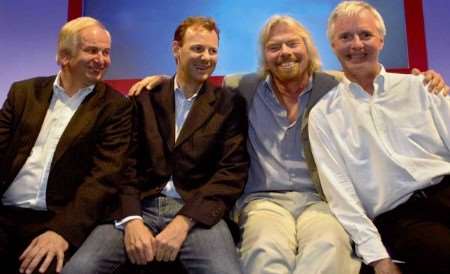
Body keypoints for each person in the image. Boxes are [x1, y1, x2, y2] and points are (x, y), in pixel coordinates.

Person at [129, 13, 449, 274]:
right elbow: (192, 86)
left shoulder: (333, 86)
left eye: (292, 44)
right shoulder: (243, 87)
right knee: (263, 250)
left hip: (319, 199)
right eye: (274, 47)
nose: (285, 52)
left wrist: (427, 79)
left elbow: (369, 79)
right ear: (265, 56)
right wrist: (160, 81)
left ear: (307, 48)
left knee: (330, 248)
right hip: (264, 200)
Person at [63, 16, 248, 274]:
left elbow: (231, 173)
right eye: (197, 48)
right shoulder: (143, 97)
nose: (206, 57)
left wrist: (184, 221)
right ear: (176, 49)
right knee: (80, 268)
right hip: (140, 206)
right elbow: (124, 165)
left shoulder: (230, 104)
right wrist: (131, 220)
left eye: (212, 50)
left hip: (196, 212)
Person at [308, 1, 450, 274]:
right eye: (345, 37)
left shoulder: (422, 87)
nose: (356, 44)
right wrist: (377, 258)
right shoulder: (323, 116)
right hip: (400, 217)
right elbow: (341, 196)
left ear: (381, 40)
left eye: (365, 35)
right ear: (333, 46)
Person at [0, 17, 132, 274]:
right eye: (92, 50)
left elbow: (103, 179)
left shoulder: (116, 108)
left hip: (55, 219)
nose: (102, 59)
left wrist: (62, 231)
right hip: (5, 211)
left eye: (106, 52)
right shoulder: (23, 92)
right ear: (64, 56)